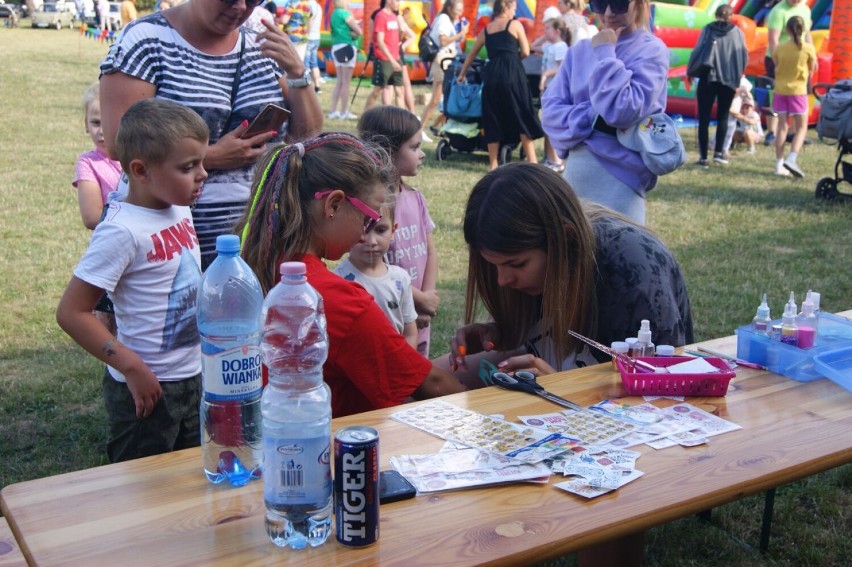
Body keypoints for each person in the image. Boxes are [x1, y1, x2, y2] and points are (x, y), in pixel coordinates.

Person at [235, 133, 466, 418]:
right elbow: (431, 385)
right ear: (333, 205)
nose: (364, 232)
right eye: (368, 219)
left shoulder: (250, 270)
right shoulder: (336, 299)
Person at [99, 0, 323, 271]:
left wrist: (297, 73)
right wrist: (212, 156)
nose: (240, 8)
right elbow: (118, 144)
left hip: (260, 243)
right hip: (169, 247)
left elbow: (308, 138)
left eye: (253, 1)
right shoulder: (145, 40)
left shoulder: (263, 47)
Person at [440, 162, 693, 384]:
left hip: (620, 419)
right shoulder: (542, 271)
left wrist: (564, 389)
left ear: (565, 239)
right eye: (494, 266)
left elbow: (661, 394)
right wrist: (500, 332)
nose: (503, 281)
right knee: (427, 382)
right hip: (564, 398)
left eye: (517, 265)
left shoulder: (632, 271)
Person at [56, 98, 209, 463]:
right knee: (142, 488)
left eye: (201, 162)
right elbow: (72, 312)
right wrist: (131, 366)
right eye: (189, 167)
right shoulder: (121, 231)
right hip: (146, 388)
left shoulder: (178, 205)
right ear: (140, 171)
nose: (203, 173)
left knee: (187, 478)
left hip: (192, 376)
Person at [541, 0, 668, 225]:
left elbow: (623, 110)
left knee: (621, 256)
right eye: (599, 3)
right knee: (577, 257)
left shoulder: (652, 50)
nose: (608, 13)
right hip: (577, 177)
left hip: (623, 182)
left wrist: (607, 53)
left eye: (618, 4)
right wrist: (593, 116)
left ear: (638, 4)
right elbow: (551, 114)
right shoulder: (579, 51)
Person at [358, 106, 438, 357]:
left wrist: (428, 296)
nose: (422, 154)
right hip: (388, 308)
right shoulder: (370, 206)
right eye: (414, 148)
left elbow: (430, 251)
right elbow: (368, 260)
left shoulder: (416, 198)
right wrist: (418, 300)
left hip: (420, 312)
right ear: (387, 152)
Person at [457, 0, 544, 170]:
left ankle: (493, 163)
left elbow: (471, 54)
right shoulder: (515, 25)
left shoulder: (486, 29)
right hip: (512, 73)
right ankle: (533, 161)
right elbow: (526, 51)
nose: (514, 12)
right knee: (522, 112)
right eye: (513, 8)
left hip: (492, 74)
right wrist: (512, 59)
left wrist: (461, 74)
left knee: (492, 115)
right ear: (506, 7)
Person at [73, 81, 123, 336]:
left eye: (108, 121)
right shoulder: (88, 163)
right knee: (108, 320)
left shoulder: (134, 156)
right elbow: (91, 216)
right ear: (85, 124)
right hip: (109, 252)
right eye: (95, 123)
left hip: (146, 252)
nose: (102, 131)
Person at [333, 204, 419, 350]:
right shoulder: (337, 281)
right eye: (363, 230)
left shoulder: (400, 279)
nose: (372, 241)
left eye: (380, 230)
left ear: (393, 231)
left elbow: (410, 333)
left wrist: (405, 367)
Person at [688, 4, 748, 168]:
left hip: (708, 77)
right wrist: (736, 78)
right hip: (728, 80)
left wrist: (691, 70)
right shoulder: (738, 34)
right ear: (731, 16)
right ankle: (719, 153)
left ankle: (703, 157)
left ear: (716, 15)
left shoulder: (707, 29)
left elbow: (698, 50)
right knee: (723, 117)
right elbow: (743, 57)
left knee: (704, 119)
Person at [763, 0, 813, 146]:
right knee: (775, 93)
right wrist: (778, 62)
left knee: (799, 93)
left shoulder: (805, 9)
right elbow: (773, 40)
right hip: (779, 58)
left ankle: (793, 132)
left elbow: (807, 35)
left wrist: (810, 57)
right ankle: (772, 132)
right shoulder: (779, 11)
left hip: (799, 60)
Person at [772, 15, 816, 177]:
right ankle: (791, 157)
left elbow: (777, 65)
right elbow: (812, 69)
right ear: (803, 29)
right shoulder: (808, 48)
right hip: (798, 91)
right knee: (802, 127)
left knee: (781, 127)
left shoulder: (779, 48)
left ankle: (778, 164)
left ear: (787, 30)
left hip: (780, 90)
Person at [419, 1, 470, 135]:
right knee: (436, 99)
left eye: (461, 10)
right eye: (457, 10)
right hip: (442, 59)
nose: (460, 13)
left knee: (446, 97)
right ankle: (419, 129)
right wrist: (461, 33)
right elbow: (443, 41)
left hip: (448, 58)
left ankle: (440, 127)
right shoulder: (443, 19)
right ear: (449, 8)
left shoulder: (450, 20)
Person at [539, 16, 570, 173]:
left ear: (557, 31)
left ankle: (556, 160)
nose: (545, 32)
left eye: (548, 29)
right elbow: (534, 46)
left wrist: (545, 76)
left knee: (553, 125)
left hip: (555, 91)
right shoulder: (550, 46)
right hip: (548, 91)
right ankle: (549, 158)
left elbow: (561, 67)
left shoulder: (561, 47)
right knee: (547, 124)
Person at [328, 0, 362, 120]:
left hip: (336, 46)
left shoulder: (334, 13)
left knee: (340, 81)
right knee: (346, 82)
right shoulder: (345, 14)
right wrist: (355, 32)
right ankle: (344, 111)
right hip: (347, 46)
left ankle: (333, 110)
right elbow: (359, 30)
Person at [368, 0, 405, 107]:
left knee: (399, 90)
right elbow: (380, 41)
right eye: (397, 1)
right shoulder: (380, 16)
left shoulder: (394, 16)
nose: (399, 3)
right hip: (384, 58)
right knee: (378, 90)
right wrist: (392, 61)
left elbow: (395, 38)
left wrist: (401, 33)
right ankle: (366, 116)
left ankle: (401, 120)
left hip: (396, 57)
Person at [305, 0, 323, 93]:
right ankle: (317, 86)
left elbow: (309, 21)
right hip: (316, 36)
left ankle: (308, 88)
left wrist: (306, 34)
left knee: (306, 64)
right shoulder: (318, 6)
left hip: (309, 37)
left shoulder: (308, 5)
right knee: (314, 64)